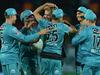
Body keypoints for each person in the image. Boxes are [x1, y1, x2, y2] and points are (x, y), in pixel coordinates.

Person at [0, 8, 48, 75]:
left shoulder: (2, 27)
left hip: (4, 56)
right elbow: (24, 38)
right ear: (11, 16)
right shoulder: (11, 28)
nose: (16, 18)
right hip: (11, 57)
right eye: (15, 16)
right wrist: (39, 33)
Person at [33, 3, 77, 75]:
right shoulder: (63, 26)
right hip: (56, 56)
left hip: (45, 55)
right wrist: (65, 22)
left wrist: (45, 4)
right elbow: (74, 30)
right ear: (60, 17)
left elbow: (35, 13)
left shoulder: (45, 23)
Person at [72, 9, 100, 75]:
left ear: (87, 20)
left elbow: (74, 42)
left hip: (88, 62)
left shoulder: (86, 30)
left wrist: (79, 32)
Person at [75, 6, 87, 75]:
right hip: (79, 60)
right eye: (77, 14)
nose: (77, 15)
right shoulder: (77, 26)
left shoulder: (89, 27)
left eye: (79, 13)